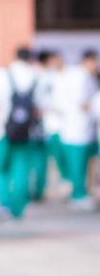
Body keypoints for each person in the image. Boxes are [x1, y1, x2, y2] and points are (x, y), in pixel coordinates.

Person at [0, 47, 42, 222]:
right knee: (22, 170)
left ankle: (4, 205)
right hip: (27, 132)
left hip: (4, 130)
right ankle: (18, 209)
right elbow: (40, 108)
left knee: (2, 169)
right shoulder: (36, 75)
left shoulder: (1, 74)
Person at [56, 50, 99, 211]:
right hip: (76, 130)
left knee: (83, 164)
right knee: (77, 165)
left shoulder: (83, 77)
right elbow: (83, 103)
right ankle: (78, 195)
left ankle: (81, 192)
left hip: (81, 129)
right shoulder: (80, 78)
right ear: (88, 61)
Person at [33, 50, 66, 201]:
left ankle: (38, 189)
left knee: (42, 159)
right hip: (49, 125)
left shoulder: (36, 75)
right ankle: (40, 189)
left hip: (43, 125)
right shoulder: (50, 77)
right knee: (53, 158)